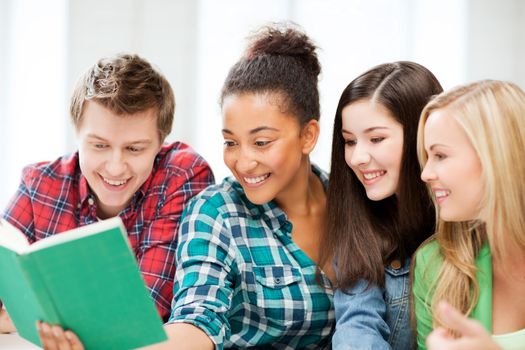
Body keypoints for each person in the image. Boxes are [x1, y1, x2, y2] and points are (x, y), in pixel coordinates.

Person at [32, 23, 334, 350]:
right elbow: (195, 320)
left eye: (261, 142)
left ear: (308, 135)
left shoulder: (354, 206)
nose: (243, 162)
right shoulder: (216, 213)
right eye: (231, 142)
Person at [0, 53, 214, 334]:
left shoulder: (181, 174)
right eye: (99, 146)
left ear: (161, 142)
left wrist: (31, 319)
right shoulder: (39, 183)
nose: (115, 167)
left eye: (135, 148)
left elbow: (144, 311)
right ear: (77, 134)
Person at [319, 62, 443, 349]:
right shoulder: (359, 228)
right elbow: (357, 328)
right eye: (349, 141)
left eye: (376, 139)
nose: (358, 157)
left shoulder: (467, 225)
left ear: (420, 136)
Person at [413, 80, 525, 350]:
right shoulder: (436, 266)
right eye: (427, 156)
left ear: (495, 156)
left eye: (440, 155)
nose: (425, 174)